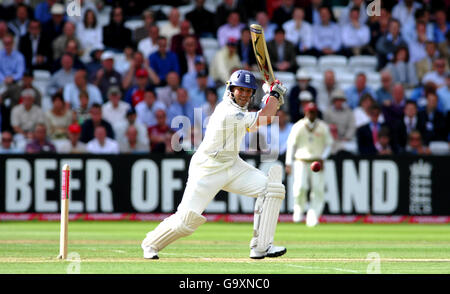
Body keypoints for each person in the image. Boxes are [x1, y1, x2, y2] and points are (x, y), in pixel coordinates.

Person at [141, 70, 288, 260]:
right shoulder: (228, 112)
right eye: (239, 90)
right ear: (230, 90)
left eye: (248, 91)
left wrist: (271, 97)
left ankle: (261, 247)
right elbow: (264, 117)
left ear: (252, 93)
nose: (243, 94)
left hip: (232, 164)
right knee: (186, 221)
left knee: (272, 189)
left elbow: (264, 113)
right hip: (208, 168)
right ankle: (150, 243)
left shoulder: (240, 110)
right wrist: (275, 95)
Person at [285, 101, 333, 226]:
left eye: (313, 112)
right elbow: (291, 145)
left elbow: (329, 144)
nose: (311, 114)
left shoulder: (323, 126)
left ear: (316, 112)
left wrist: (323, 158)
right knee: (300, 187)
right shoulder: (298, 126)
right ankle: (298, 211)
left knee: (318, 189)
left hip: (317, 161)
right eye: (309, 111)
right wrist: (288, 163)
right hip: (301, 160)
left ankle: (313, 216)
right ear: (305, 112)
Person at [323, 89, 356, 155]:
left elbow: (352, 126)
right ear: (333, 101)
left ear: (343, 101)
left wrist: (346, 138)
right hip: (332, 140)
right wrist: (332, 135)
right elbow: (325, 126)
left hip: (346, 140)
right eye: (337, 100)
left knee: (353, 148)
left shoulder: (349, 112)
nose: (338, 102)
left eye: (340, 100)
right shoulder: (328, 112)